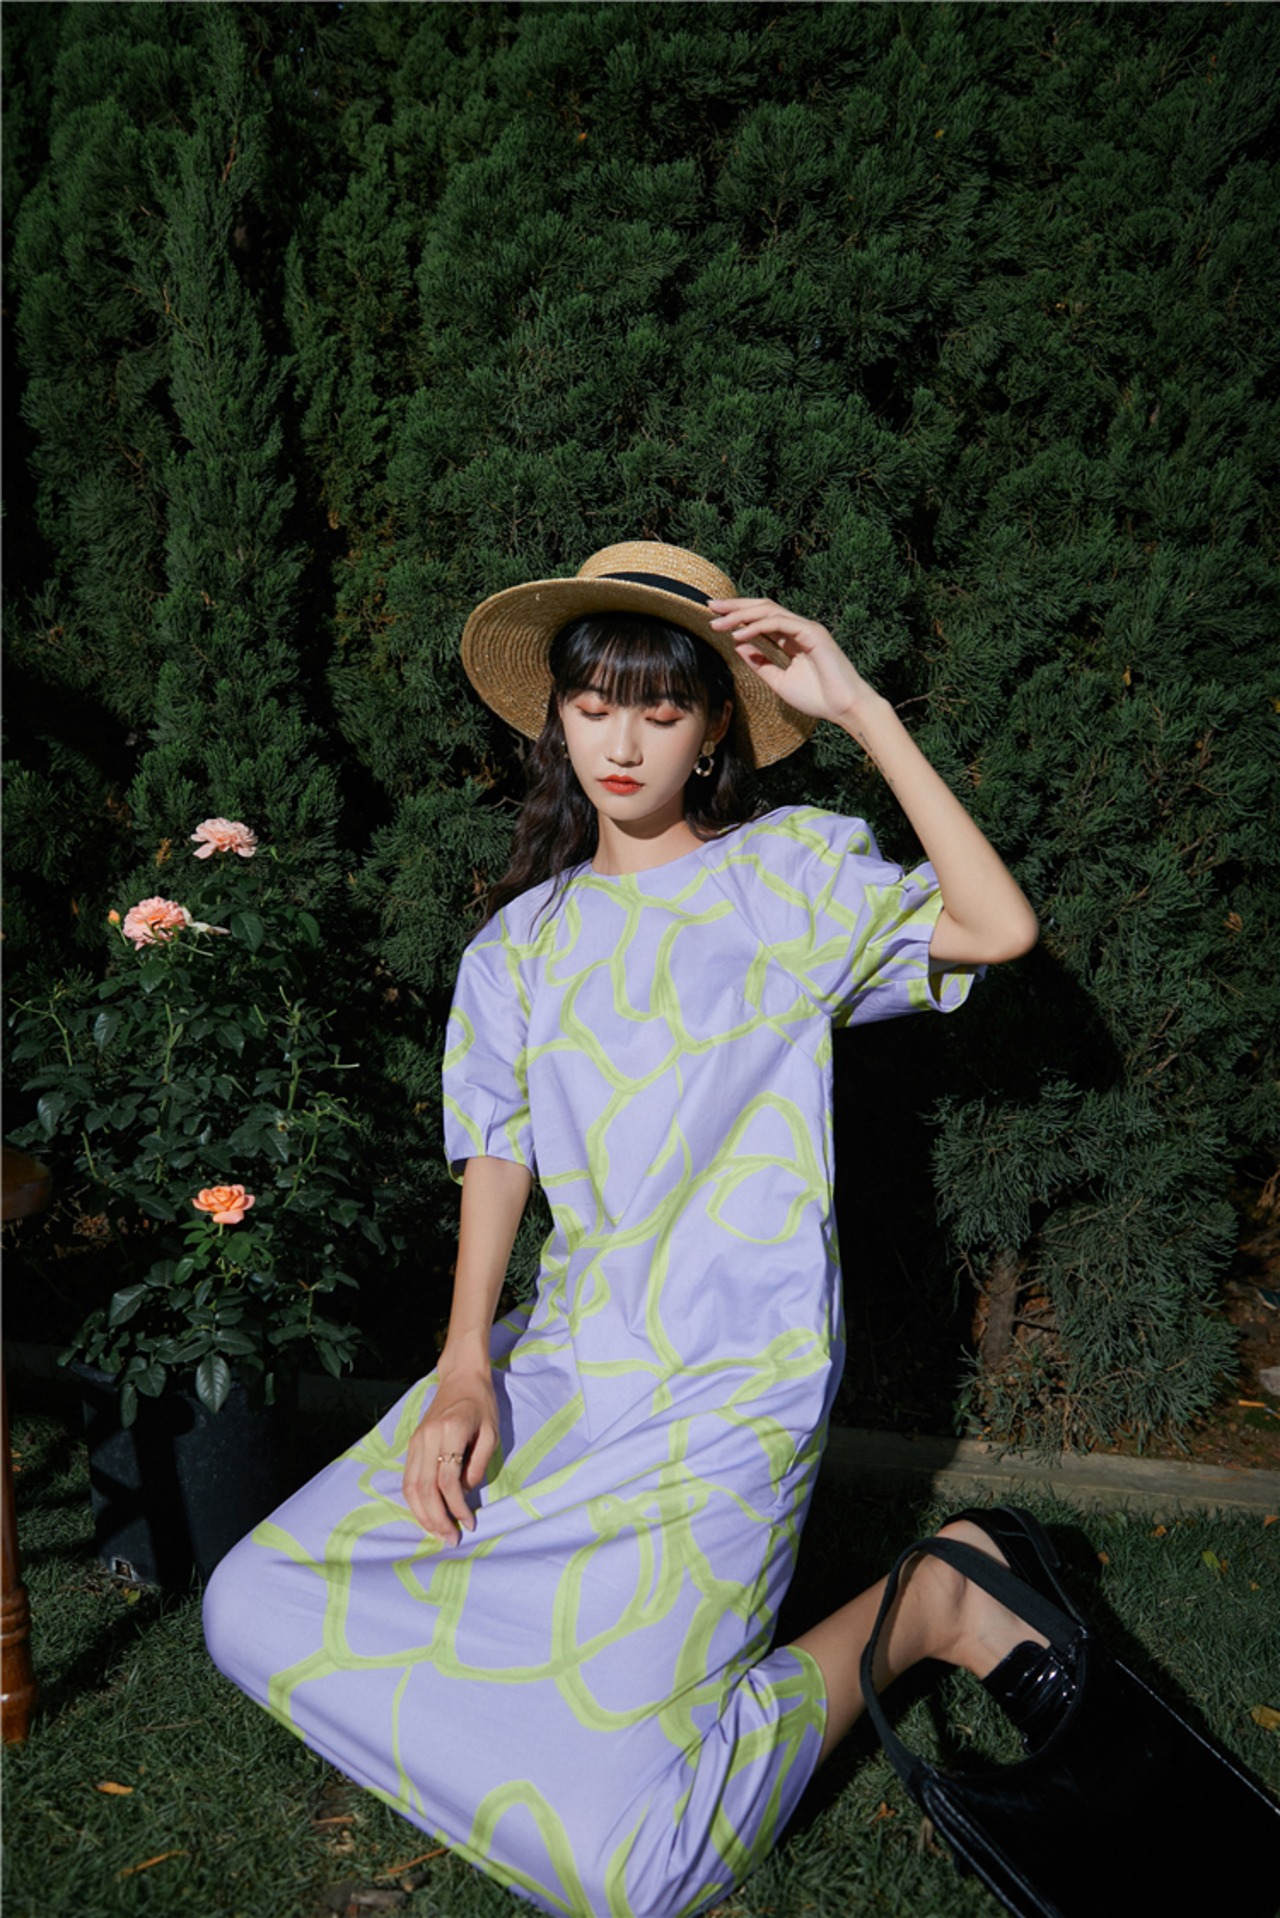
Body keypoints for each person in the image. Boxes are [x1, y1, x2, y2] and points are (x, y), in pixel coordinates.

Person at [204, 541, 1046, 1918]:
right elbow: (498, 1155)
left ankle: (936, 1604)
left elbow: (997, 926)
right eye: (594, 704)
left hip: (733, 1381)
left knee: (641, 1880)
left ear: (714, 730)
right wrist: (464, 1366)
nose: (623, 741)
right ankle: (554, 1716)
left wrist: (859, 708)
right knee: (247, 1604)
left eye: (662, 708)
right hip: (569, 1359)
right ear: (557, 716)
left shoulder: (786, 880)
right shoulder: (518, 946)